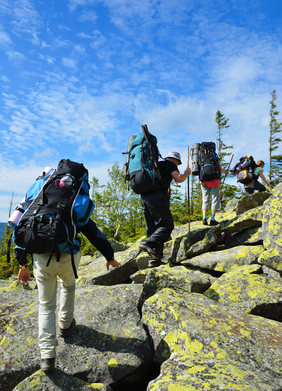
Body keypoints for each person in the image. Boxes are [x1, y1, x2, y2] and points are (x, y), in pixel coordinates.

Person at [12, 164, 121, 374]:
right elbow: (91, 230)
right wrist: (110, 256)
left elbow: (22, 231)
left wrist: (23, 264)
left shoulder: (37, 199)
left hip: (41, 258)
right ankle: (65, 325)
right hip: (67, 256)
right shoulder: (72, 200)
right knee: (69, 286)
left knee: (45, 305)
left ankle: (47, 356)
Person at [139, 151, 190, 267]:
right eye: (178, 163)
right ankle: (147, 243)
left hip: (144, 197)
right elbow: (179, 178)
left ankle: (154, 260)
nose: (177, 165)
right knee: (167, 225)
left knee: (153, 229)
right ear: (175, 160)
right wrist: (186, 174)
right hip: (157, 197)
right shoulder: (170, 164)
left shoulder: (156, 165)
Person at [198, 155, 227, 226]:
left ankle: (204, 218)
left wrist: (199, 180)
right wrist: (226, 172)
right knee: (215, 199)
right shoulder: (215, 156)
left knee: (205, 199)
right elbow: (220, 170)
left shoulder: (200, 157)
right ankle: (212, 219)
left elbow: (197, 170)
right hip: (215, 181)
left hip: (204, 181)